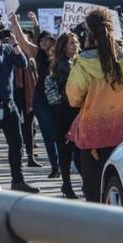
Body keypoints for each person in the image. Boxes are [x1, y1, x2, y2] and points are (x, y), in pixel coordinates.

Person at [66, 9, 123, 203]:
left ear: (89, 33)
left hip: (92, 137)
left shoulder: (83, 62)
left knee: (94, 195)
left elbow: (73, 99)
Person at [0, 22, 39, 193]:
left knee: (16, 143)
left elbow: (23, 63)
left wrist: (14, 44)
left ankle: (18, 180)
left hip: (9, 104)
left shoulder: (7, 48)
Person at [10, 15, 60, 178]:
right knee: (47, 133)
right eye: (42, 40)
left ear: (53, 41)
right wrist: (14, 21)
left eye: (47, 40)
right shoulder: (37, 53)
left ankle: (62, 163)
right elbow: (23, 42)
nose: (44, 43)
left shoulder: (61, 55)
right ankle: (55, 166)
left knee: (59, 132)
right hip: (41, 98)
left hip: (59, 98)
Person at [51, 32, 80, 199]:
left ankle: (70, 185)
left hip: (74, 109)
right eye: (71, 43)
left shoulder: (76, 61)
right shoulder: (64, 64)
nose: (75, 44)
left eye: (76, 41)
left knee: (75, 149)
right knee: (67, 149)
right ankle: (67, 185)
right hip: (67, 110)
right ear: (63, 47)